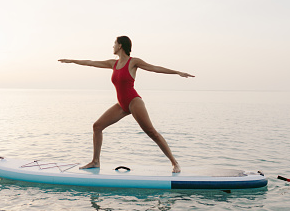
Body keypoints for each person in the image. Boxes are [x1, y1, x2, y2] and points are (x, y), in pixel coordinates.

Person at [59, 36, 194, 173]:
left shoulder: (133, 62)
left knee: (152, 132)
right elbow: (91, 62)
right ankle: (95, 161)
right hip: (121, 104)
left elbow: (154, 68)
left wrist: (177, 72)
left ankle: (174, 163)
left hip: (134, 101)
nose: (113, 46)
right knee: (97, 126)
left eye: (114, 44)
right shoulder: (113, 63)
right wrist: (72, 61)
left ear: (120, 46)